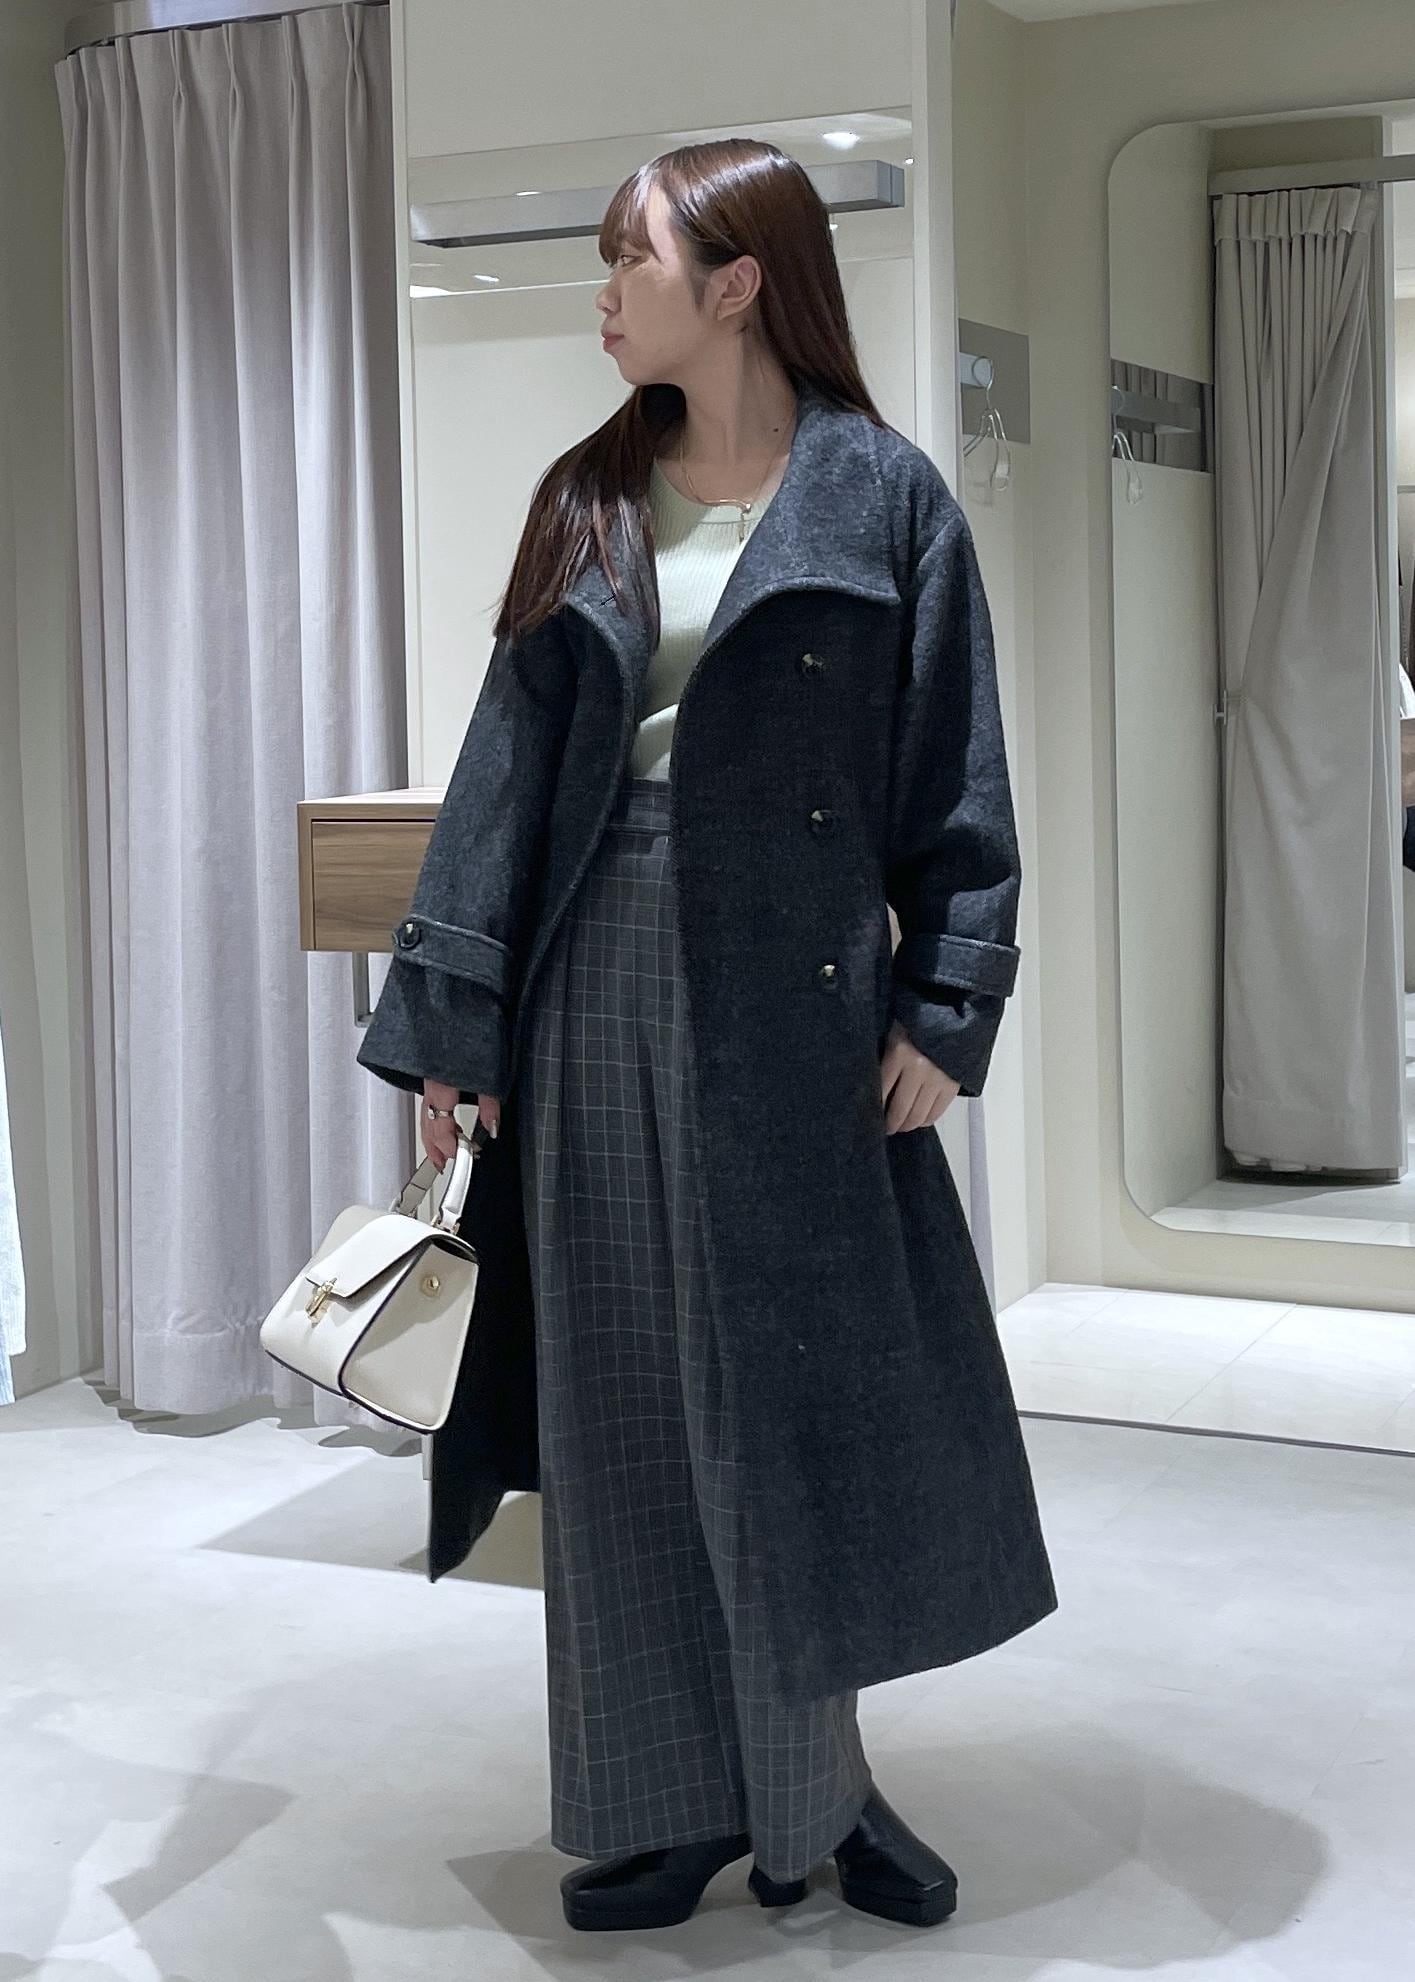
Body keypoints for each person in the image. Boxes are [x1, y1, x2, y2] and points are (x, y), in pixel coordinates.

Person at [358, 138, 1056, 1935]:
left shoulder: (883, 499)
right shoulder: (585, 499)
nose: (603, 292)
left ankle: (819, 1798)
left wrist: (947, 1003)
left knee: (781, 1401)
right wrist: (455, 1020)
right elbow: (504, 776)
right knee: (619, 1399)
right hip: (594, 962)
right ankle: (662, 1798)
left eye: (631, 259)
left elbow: (957, 775)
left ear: (737, 283)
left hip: (798, 992)